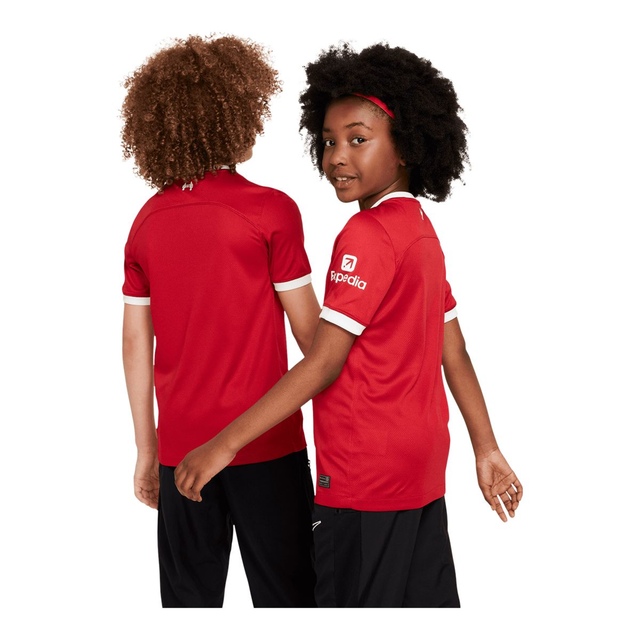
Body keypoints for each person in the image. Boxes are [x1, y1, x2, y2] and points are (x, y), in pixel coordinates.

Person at [174, 42, 523, 607]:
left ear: (406, 146)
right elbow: (453, 351)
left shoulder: (366, 234)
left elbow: (324, 362)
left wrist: (224, 445)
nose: (337, 156)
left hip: (363, 475)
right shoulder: (421, 230)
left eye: (358, 139)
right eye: (329, 141)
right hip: (421, 467)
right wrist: (486, 448)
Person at [120, 34, 320, 608]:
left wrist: (147, 450)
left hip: (180, 452)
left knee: (188, 606)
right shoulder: (271, 210)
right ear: (230, 118)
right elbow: (314, 340)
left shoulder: (147, 220)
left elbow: (135, 344)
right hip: (268, 446)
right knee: (291, 603)